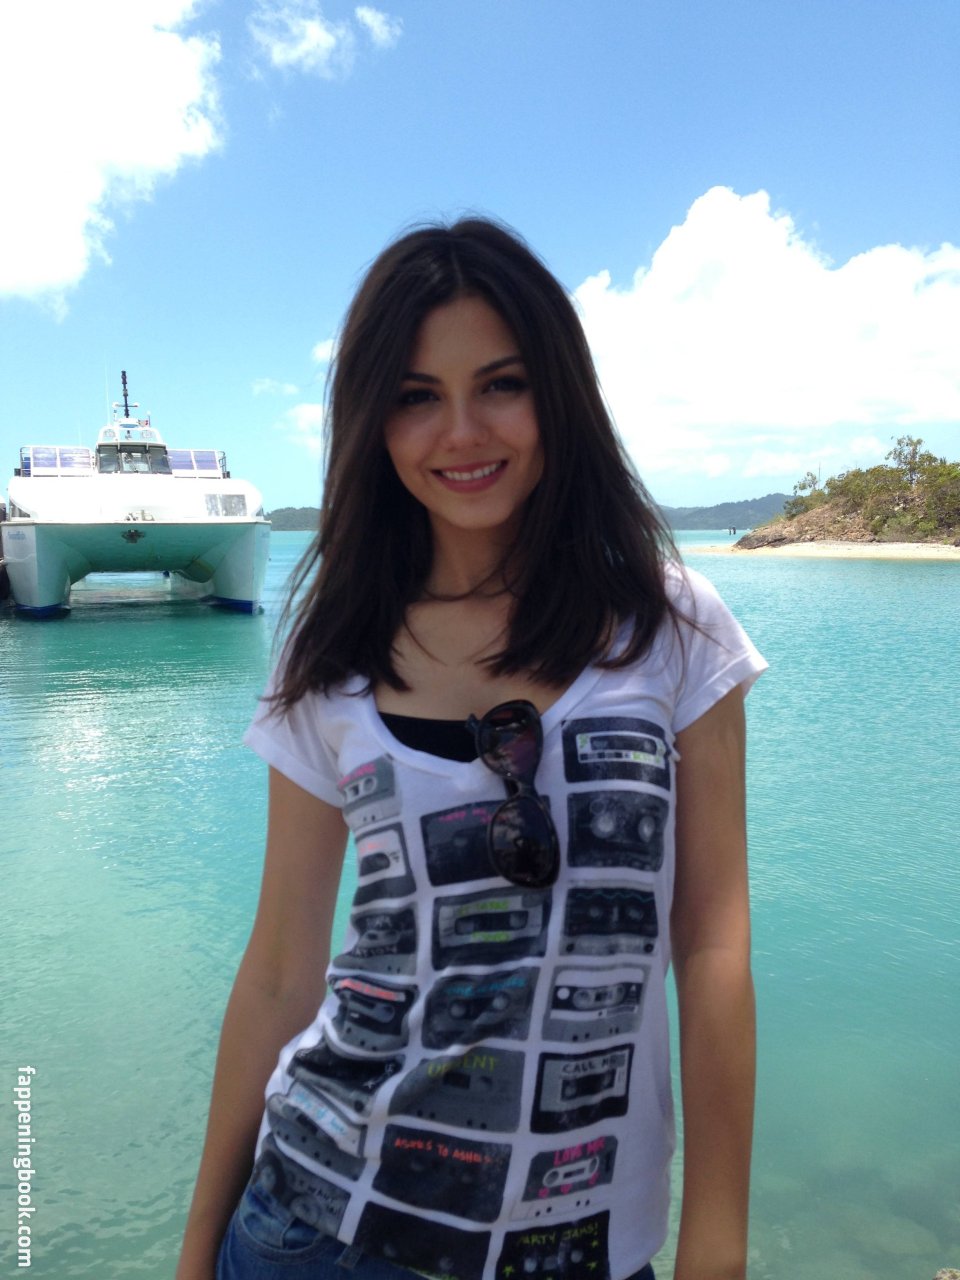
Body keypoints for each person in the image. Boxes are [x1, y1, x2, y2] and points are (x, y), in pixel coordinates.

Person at [176, 218, 765, 1280]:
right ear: (374, 421)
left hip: (578, 1250)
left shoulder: (671, 628)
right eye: (416, 395)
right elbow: (278, 971)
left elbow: (714, 945)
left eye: (500, 384)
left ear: (558, 394)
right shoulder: (335, 649)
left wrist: (715, 1241)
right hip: (311, 1228)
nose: (461, 431)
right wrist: (193, 1250)